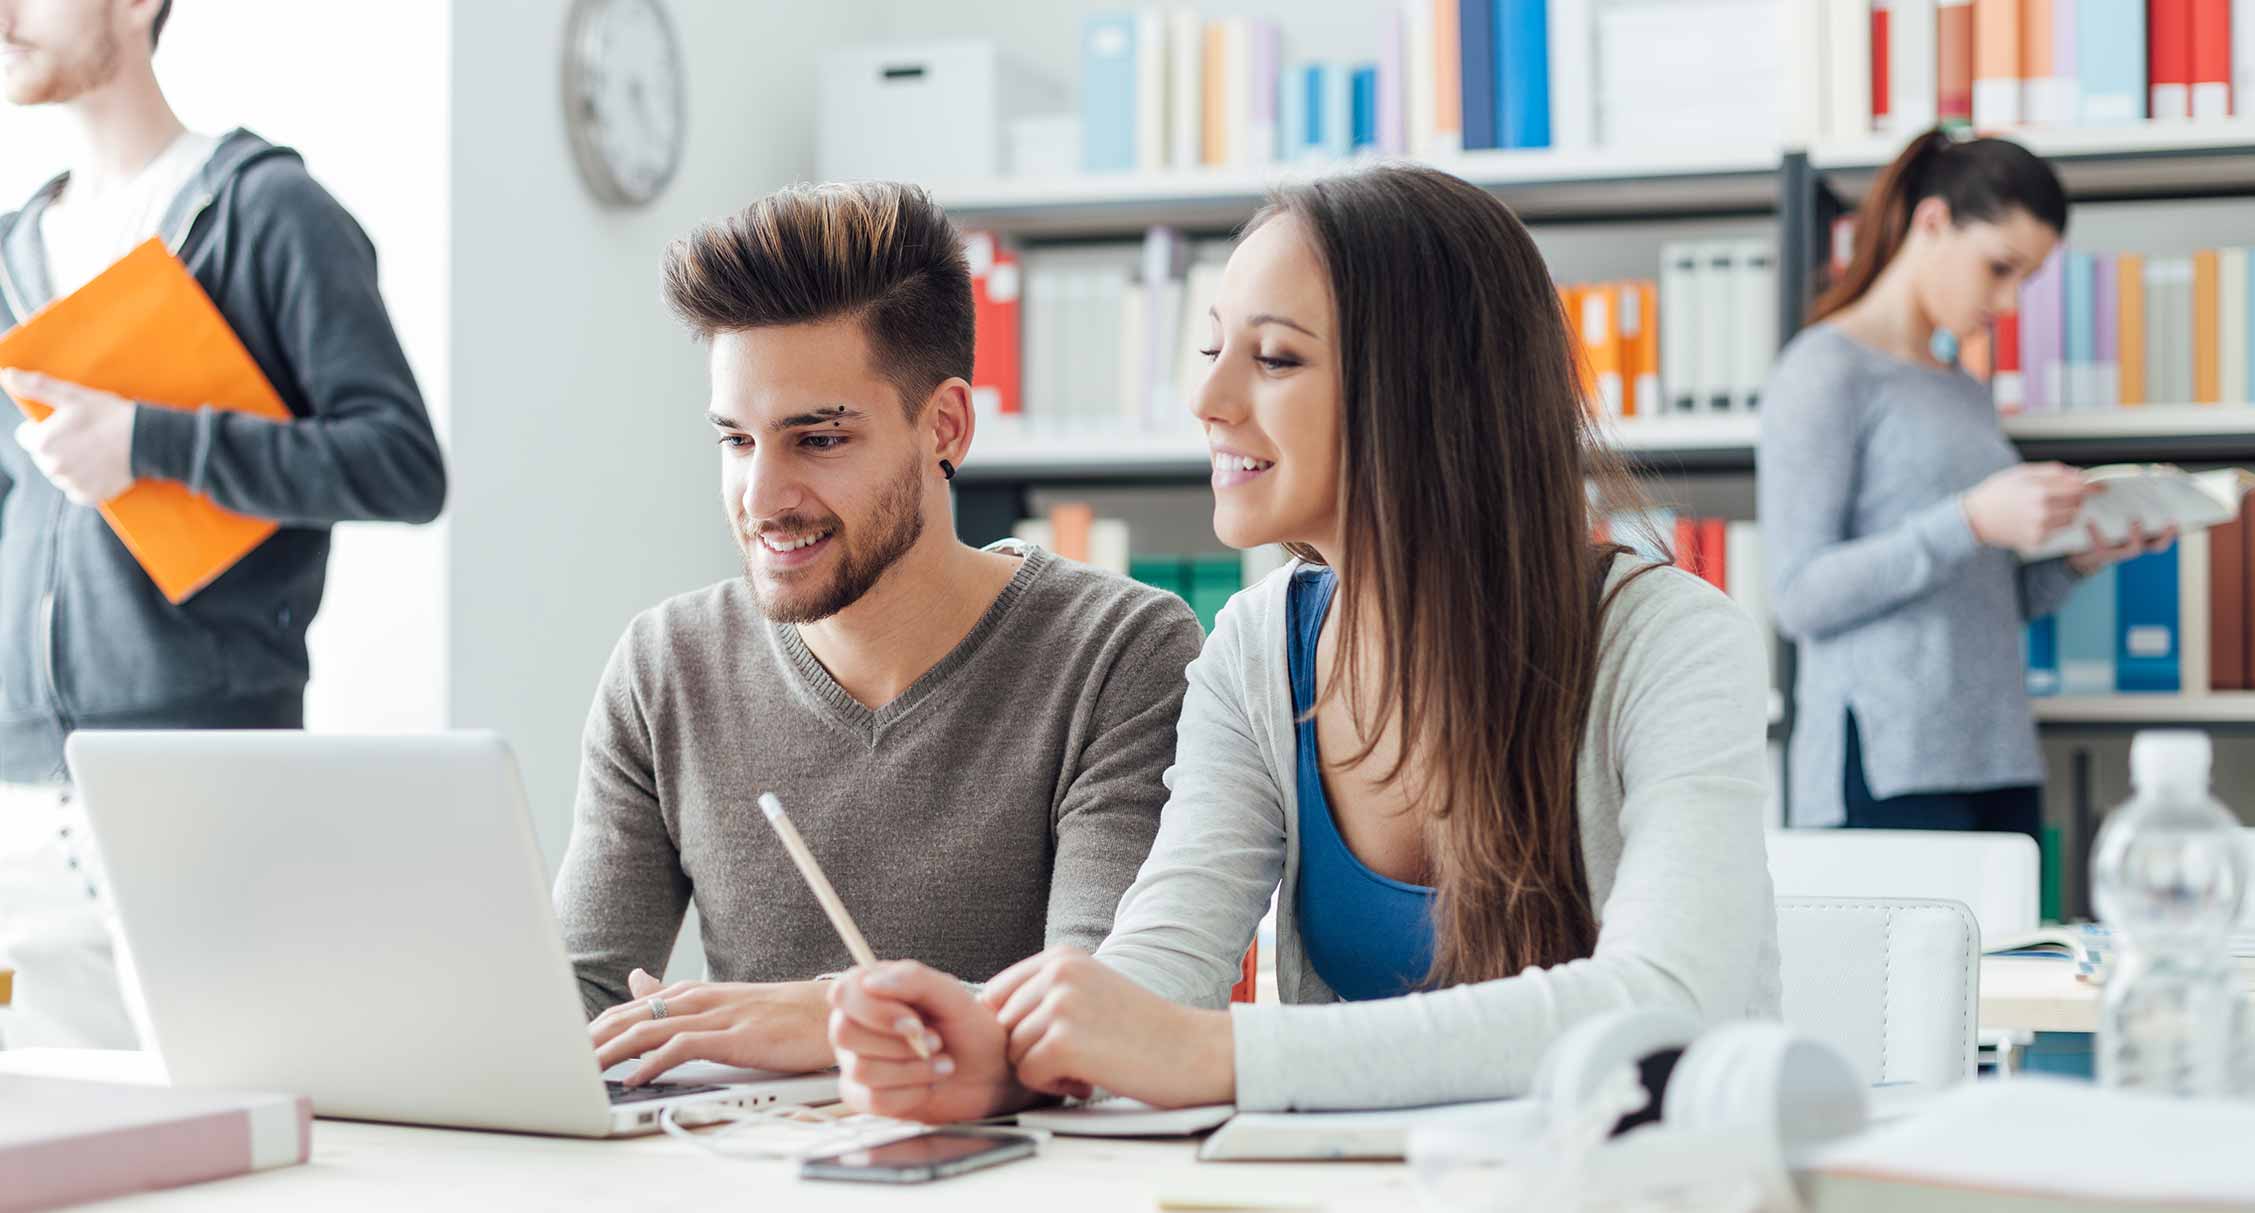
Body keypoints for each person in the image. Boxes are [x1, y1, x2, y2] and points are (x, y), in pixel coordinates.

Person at [817, 163, 1782, 1120]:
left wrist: (1212, 1051)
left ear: (1429, 392)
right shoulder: (1256, 647)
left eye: (1275, 359)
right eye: (1212, 349)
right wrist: (1014, 1052)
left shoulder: (1671, 643)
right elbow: (1161, 969)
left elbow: (1662, 1004)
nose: (1208, 398)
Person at [556, 180, 1206, 1087]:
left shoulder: (1118, 653)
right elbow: (572, 1016)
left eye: (818, 439)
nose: (761, 499)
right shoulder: (665, 665)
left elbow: (1107, 1015)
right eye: (736, 441)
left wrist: (833, 1015)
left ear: (944, 426)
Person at [0, 0, 447, 1048]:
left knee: (231, 1121)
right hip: (18, 803)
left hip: (204, 782)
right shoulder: (13, 249)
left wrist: (150, 441)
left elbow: (402, 464)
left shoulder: (268, 209)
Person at [1758, 130, 2169, 837]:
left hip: (1998, 754)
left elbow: (1984, 601)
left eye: (2025, 280)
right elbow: (1798, 596)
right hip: (1887, 764)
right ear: (1933, 222)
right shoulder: (1823, 371)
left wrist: (2077, 559)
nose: (2008, 302)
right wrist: (1970, 519)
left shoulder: (1964, 390)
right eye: (1999, 268)